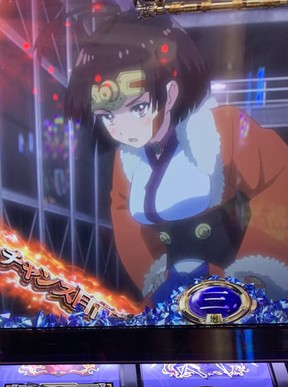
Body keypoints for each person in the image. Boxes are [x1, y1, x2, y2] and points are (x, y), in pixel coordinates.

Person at [65, 11, 288, 304]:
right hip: (173, 288)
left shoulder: (223, 128)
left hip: (239, 282)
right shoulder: (127, 160)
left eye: (138, 109)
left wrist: (254, 274)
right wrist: (153, 273)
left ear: (170, 94)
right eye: (107, 116)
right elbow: (126, 222)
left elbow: (279, 178)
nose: (123, 128)